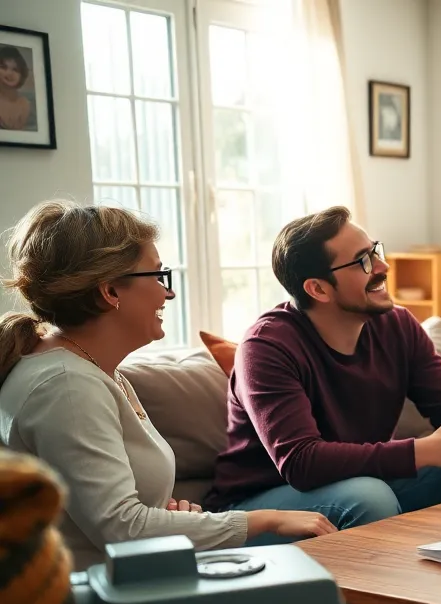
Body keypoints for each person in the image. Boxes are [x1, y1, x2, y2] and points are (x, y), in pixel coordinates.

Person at [0, 201, 334, 570]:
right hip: (87, 602)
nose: (167, 294)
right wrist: (265, 520)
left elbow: (121, 513)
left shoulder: (96, 371)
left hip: (132, 580)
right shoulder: (66, 388)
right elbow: (121, 528)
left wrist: (175, 518)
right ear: (110, 292)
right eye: (157, 277)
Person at [203, 206, 441, 529]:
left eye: (375, 251)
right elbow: (301, 462)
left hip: (361, 481)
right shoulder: (266, 348)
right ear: (318, 289)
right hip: (262, 504)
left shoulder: (398, 325)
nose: (383, 266)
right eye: (363, 260)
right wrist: (423, 451)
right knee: (369, 496)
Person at [0, 45, 34, 132]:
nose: (9, 73)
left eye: (15, 69)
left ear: (22, 74)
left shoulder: (24, 104)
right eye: (4, 67)